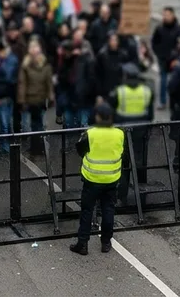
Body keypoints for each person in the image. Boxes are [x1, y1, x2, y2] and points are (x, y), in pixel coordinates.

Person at [70, 103, 123, 257]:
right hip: (112, 178)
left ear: (98, 117)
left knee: (87, 211)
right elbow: (121, 152)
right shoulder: (119, 133)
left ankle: (83, 243)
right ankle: (106, 242)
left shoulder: (90, 133)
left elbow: (80, 149)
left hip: (92, 179)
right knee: (108, 210)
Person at [112, 62, 152, 205]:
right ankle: (142, 197)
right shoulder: (146, 91)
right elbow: (150, 113)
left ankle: (121, 196)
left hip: (123, 132)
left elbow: (113, 111)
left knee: (124, 166)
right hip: (141, 133)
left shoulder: (120, 91)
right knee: (140, 165)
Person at [17, 39, 54, 154]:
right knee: (35, 124)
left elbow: (49, 82)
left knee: (37, 124)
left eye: (36, 48)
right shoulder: (26, 65)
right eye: (32, 48)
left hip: (41, 99)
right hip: (31, 99)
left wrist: (51, 97)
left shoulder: (44, 64)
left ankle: (37, 147)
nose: (34, 51)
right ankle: (37, 147)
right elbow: (22, 83)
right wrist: (22, 100)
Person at [150, 8, 180, 110]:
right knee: (163, 80)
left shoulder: (179, 29)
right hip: (163, 59)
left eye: (168, 15)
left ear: (173, 15)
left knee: (176, 81)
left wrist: (179, 56)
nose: (165, 17)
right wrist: (159, 53)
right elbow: (154, 42)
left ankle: (176, 101)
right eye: (164, 15)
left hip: (176, 60)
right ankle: (163, 102)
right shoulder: (159, 28)